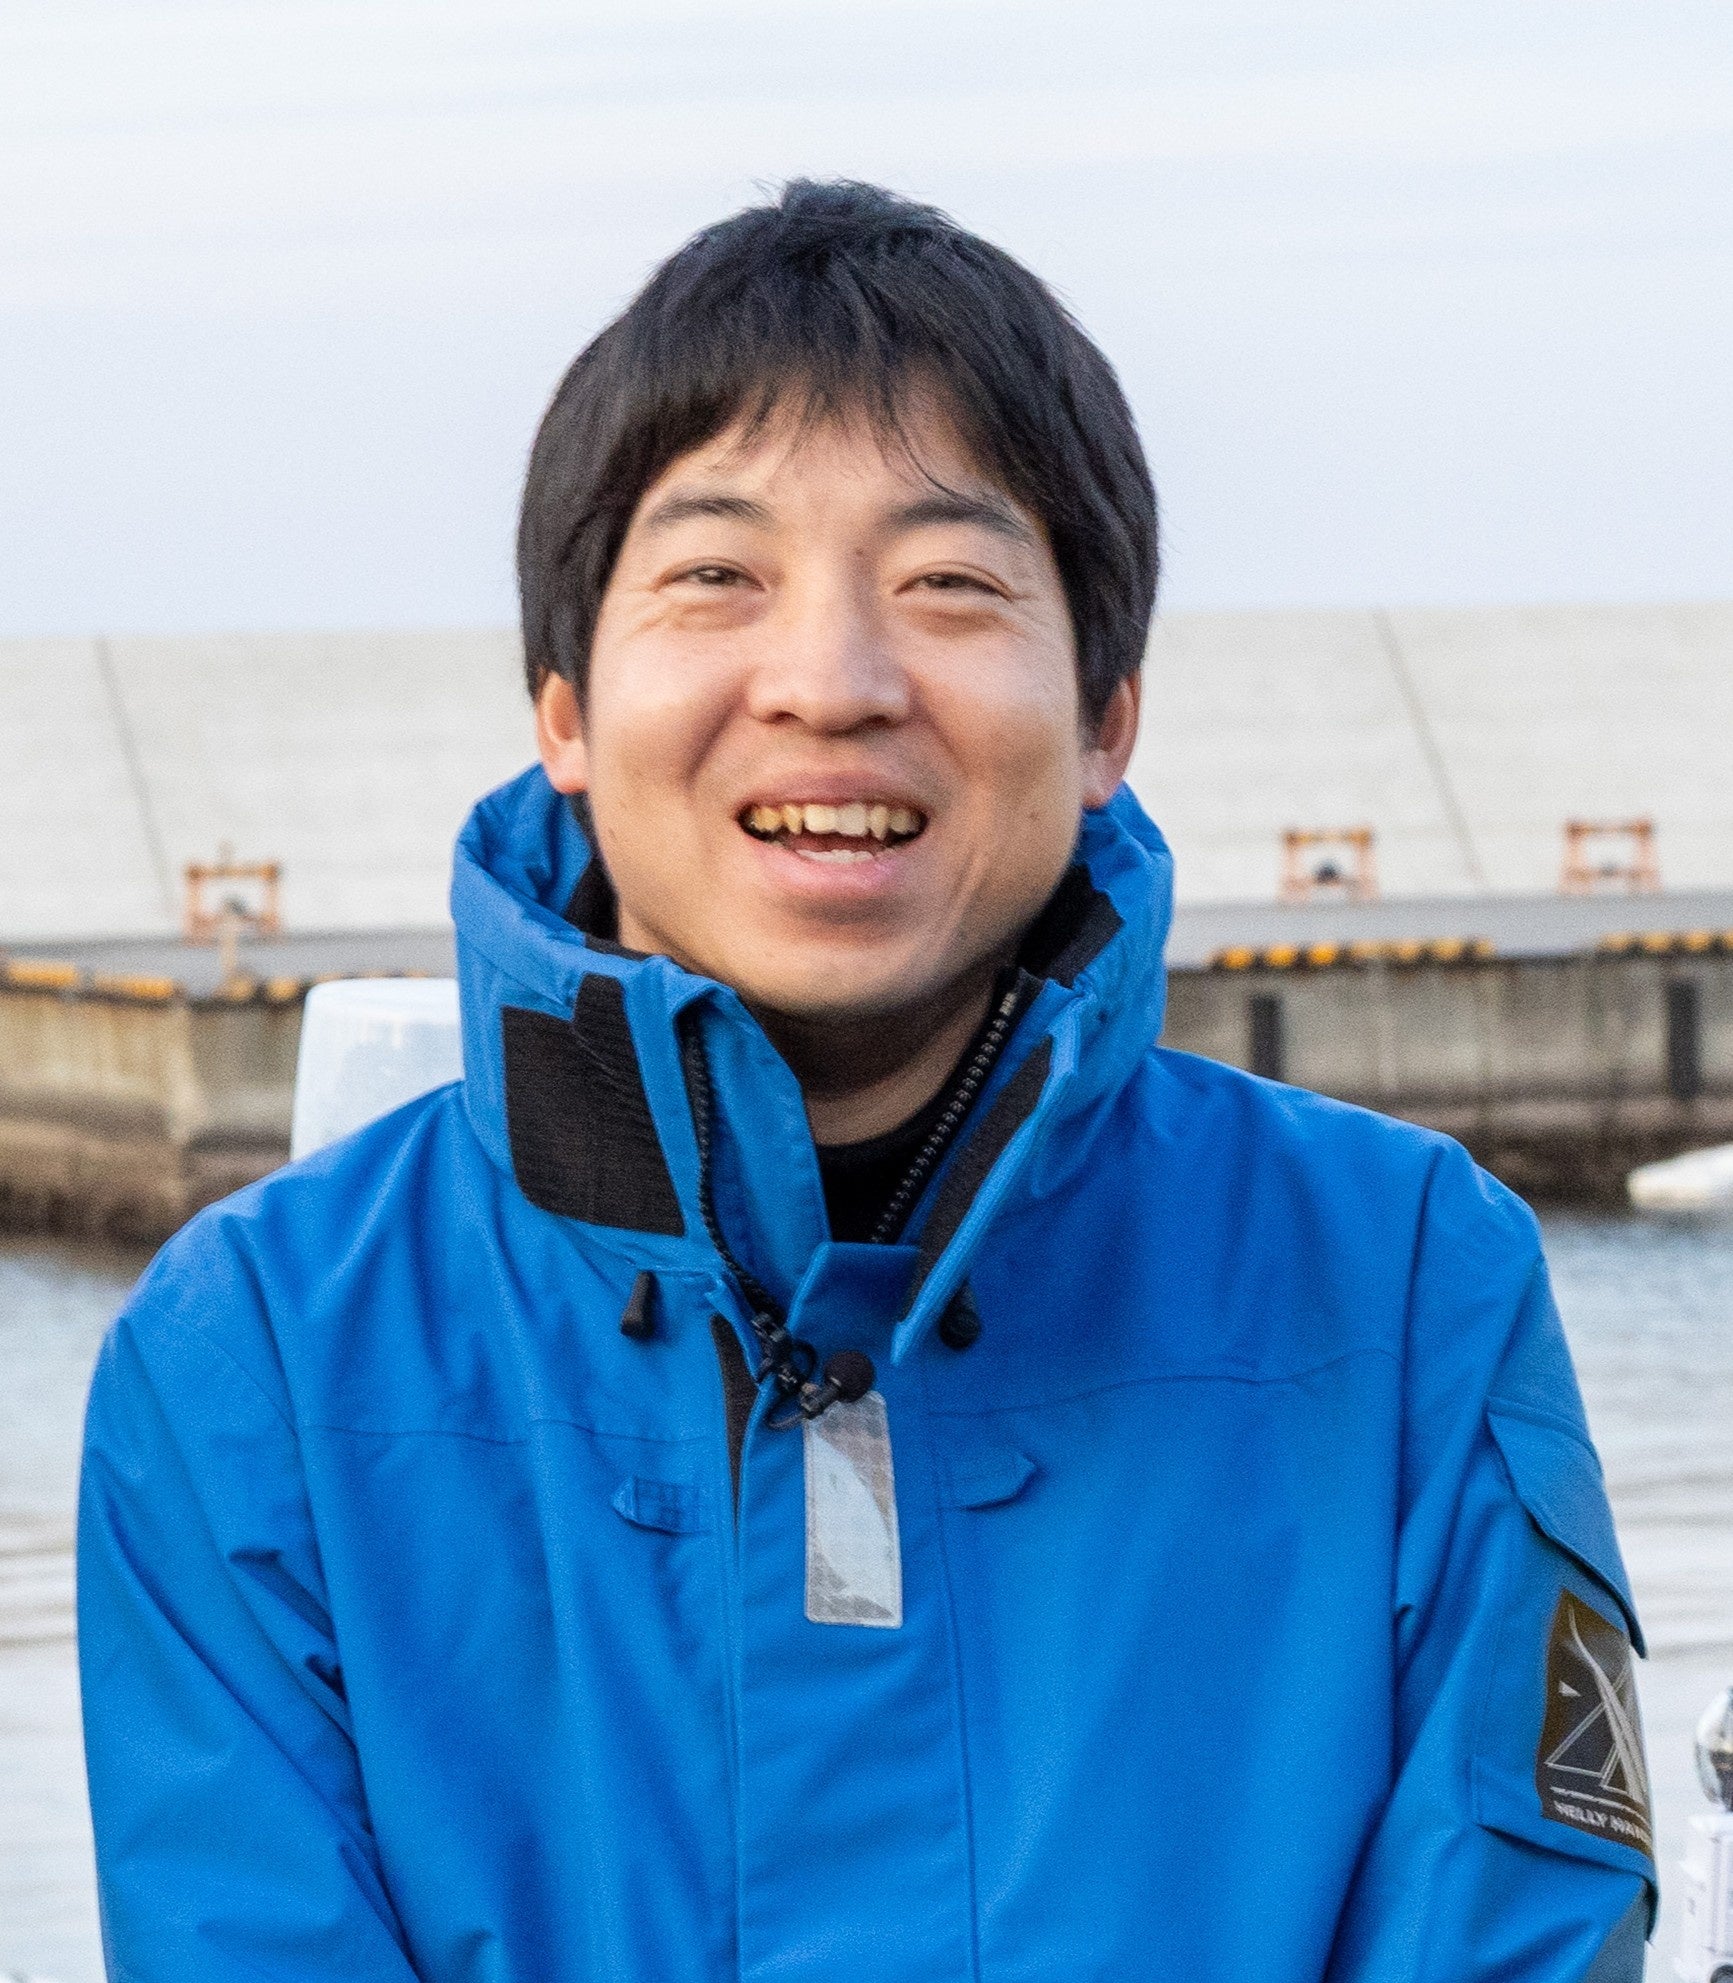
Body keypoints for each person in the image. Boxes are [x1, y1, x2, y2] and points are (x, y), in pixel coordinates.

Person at [78, 180, 1654, 1981]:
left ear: (1107, 717)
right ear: (564, 706)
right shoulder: (258, 1361)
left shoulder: (1401, 1283)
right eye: (716, 577)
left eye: (947, 585)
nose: (829, 683)